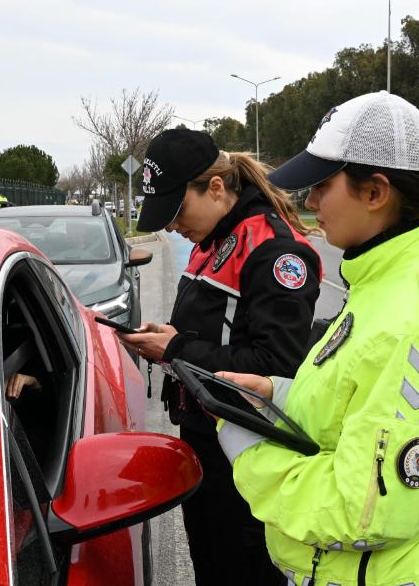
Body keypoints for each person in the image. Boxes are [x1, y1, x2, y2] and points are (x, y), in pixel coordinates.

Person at [214, 92, 419, 586]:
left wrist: (247, 449)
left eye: (322, 187)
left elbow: (362, 513)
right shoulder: (381, 281)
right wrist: (279, 396)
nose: (309, 203)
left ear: (375, 192)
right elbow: (360, 396)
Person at [117, 129, 322, 586]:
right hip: (203, 438)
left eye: (178, 210)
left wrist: (176, 349)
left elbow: (275, 368)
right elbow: (214, 332)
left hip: (245, 454)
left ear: (213, 188)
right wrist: (170, 340)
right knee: (209, 566)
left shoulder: (275, 251)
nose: (171, 226)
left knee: (243, 572)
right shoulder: (211, 239)